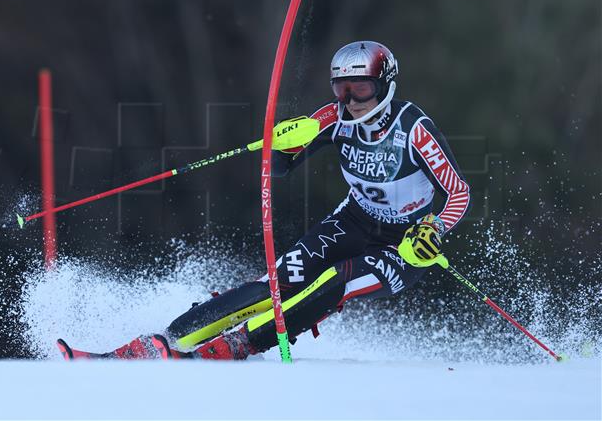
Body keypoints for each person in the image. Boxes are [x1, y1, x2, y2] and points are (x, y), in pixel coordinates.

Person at [57, 40, 470, 360]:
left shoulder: (413, 129)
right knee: (276, 281)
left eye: (359, 89)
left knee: (334, 282)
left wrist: (433, 228)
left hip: (404, 245)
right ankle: (170, 338)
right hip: (353, 221)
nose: (348, 102)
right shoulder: (333, 118)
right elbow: (278, 167)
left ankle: (241, 345)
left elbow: (458, 192)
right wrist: (283, 144)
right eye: (340, 89)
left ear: (384, 86)